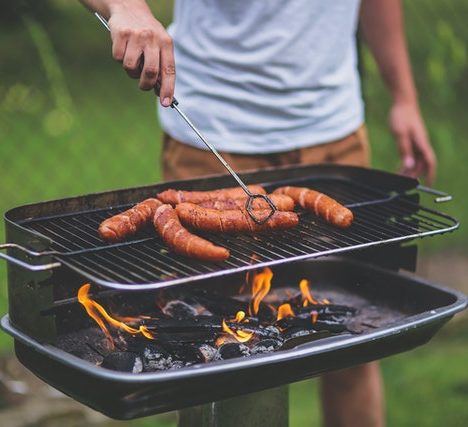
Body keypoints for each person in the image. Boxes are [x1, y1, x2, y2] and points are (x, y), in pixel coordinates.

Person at [81, 1, 437, 426]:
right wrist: (125, 7)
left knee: (353, 343)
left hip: (333, 133)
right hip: (212, 133)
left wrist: (405, 97)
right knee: (211, 354)